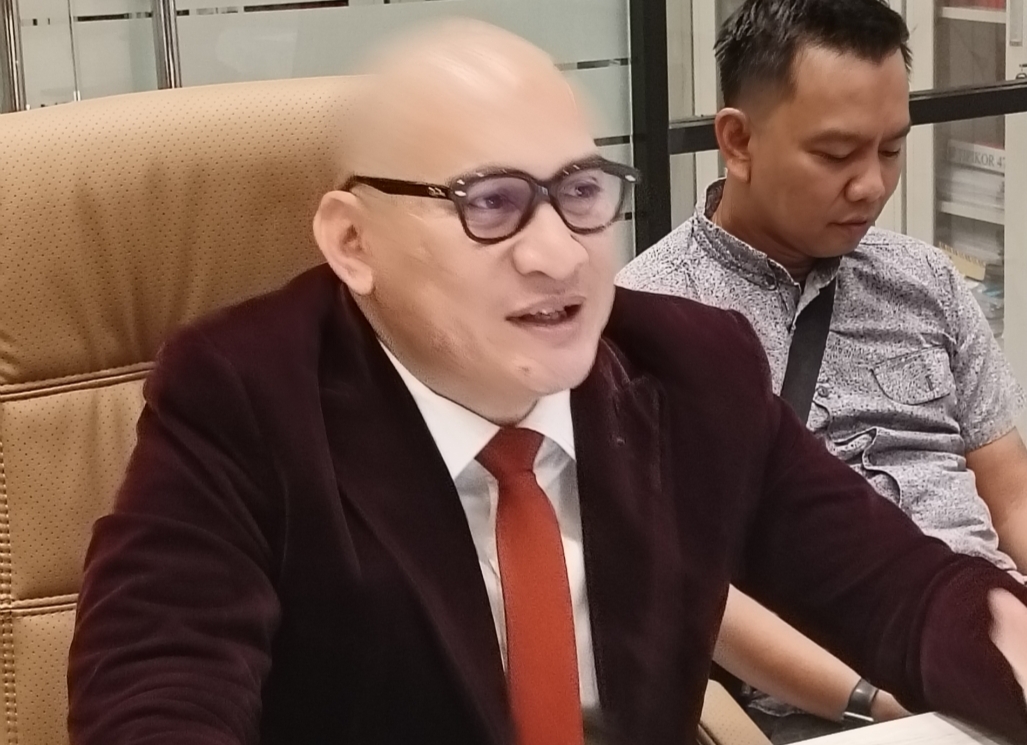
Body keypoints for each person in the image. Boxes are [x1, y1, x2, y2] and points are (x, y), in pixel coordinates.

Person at [67, 18, 1027, 745]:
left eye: (577, 192)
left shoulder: (690, 366)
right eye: (489, 203)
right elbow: (157, 687)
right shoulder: (239, 394)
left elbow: (903, 592)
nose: (557, 254)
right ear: (353, 241)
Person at [616, 0, 1027, 742]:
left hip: (993, 649)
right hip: (830, 707)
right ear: (738, 141)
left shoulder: (924, 279)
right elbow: (694, 593)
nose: (870, 185)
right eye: (836, 156)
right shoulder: (652, 319)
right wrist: (876, 704)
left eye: (891, 150)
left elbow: (1013, 500)